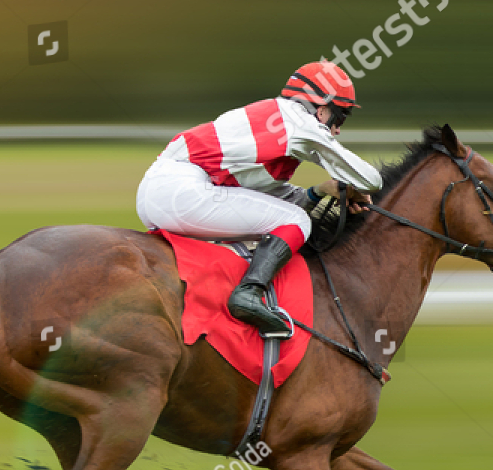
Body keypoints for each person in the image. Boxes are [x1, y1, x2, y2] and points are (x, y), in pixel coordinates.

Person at [137, 60, 383, 338]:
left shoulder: (276, 120)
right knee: (296, 220)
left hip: (161, 191)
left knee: (286, 217)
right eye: (340, 118)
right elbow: (371, 180)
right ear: (322, 108)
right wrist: (355, 186)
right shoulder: (299, 120)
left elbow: (270, 200)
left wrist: (321, 191)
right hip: (181, 191)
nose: (337, 130)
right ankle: (248, 294)